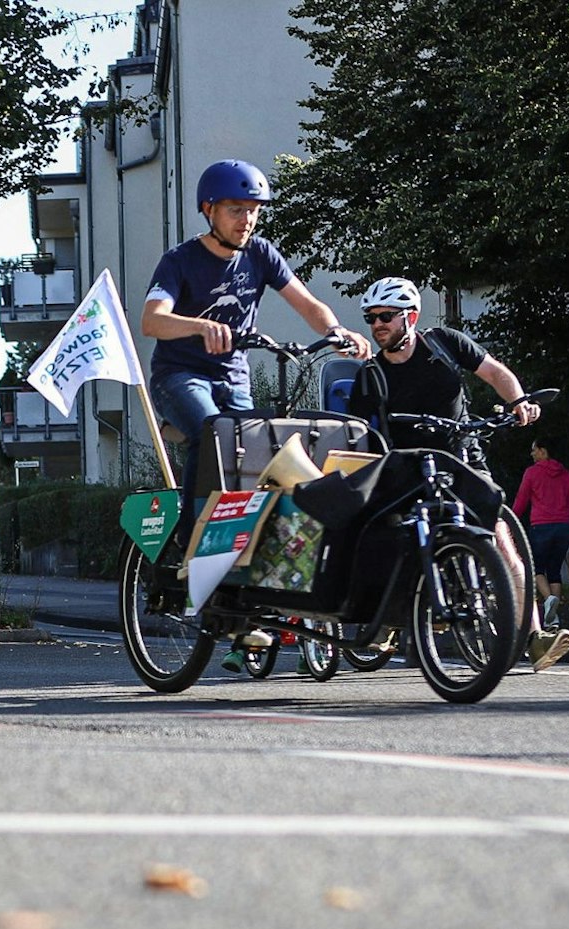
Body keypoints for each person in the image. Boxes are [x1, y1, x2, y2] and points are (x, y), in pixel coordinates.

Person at [139, 158, 371, 673]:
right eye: (235, 210)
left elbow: (308, 304)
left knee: (262, 462)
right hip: (181, 376)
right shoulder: (179, 262)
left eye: (253, 211)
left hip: (234, 376)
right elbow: (152, 321)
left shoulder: (262, 254)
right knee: (213, 433)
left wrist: (340, 332)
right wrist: (199, 327)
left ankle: (244, 572)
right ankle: (190, 538)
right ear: (209, 211)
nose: (246, 220)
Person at [351, 276, 569, 671]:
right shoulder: (371, 376)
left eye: (386, 316)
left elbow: (494, 372)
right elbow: (354, 433)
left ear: (411, 317)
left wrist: (518, 400)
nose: (377, 325)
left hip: (462, 458)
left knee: (503, 539)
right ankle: (386, 616)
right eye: (371, 318)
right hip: (408, 469)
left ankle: (536, 637)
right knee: (389, 535)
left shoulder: (444, 343)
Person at [513, 439, 569, 630]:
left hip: (541, 528)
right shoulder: (566, 475)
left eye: (534, 450)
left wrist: (509, 522)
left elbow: (521, 501)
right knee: (554, 571)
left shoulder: (532, 473)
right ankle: (552, 618)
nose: (532, 454)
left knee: (537, 569)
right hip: (564, 527)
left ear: (543, 451)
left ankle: (549, 600)